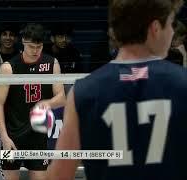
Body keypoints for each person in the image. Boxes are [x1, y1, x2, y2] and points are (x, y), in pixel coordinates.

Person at [47, 0, 186, 180]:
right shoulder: (182, 83)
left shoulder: (83, 91)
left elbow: (59, 175)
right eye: (170, 24)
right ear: (155, 28)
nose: (172, 31)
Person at [0, 23, 66, 180]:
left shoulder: (52, 63)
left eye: (38, 46)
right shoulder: (8, 68)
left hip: (38, 134)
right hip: (12, 134)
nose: (35, 51)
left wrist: (48, 103)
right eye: (31, 46)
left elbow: (62, 97)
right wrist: (4, 137)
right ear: (23, 42)